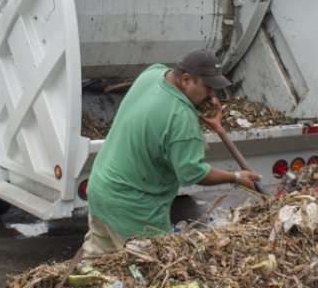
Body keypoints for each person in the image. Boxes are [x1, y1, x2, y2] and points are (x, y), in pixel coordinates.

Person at [80, 49, 263, 259]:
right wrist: (237, 177)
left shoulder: (153, 74)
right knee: (153, 273)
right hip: (134, 207)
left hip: (101, 188)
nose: (213, 95)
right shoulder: (182, 119)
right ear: (186, 80)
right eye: (208, 88)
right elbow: (192, 173)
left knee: (95, 267)